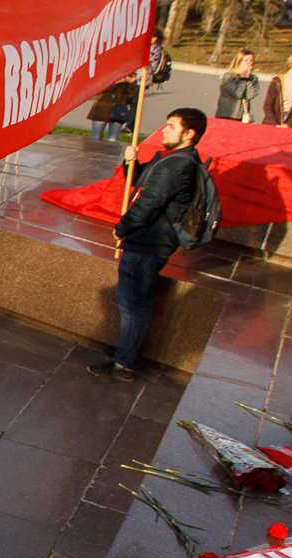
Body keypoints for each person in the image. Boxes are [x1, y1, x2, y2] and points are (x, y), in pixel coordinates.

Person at [88, 108, 208, 381]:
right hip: (148, 241)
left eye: (171, 126)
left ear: (189, 134)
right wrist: (131, 163)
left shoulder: (178, 164)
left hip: (148, 243)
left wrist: (122, 228)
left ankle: (125, 363)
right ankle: (126, 351)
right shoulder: (174, 158)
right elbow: (141, 182)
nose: (164, 130)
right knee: (132, 302)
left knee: (133, 305)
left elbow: (148, 204)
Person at [262, 53, 292, 128]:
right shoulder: (277, 81)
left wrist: (289, 124)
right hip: (273, 120)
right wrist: (274, 124)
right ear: (291, 64)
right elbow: (267, 105)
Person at [85, 75, 138, 142]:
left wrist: (132, 82)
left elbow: (131, 92)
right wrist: (114, 82)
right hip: (102, 108)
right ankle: (93, 151)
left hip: (119, 109)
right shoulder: (105, 70)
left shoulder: (128, 71)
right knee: (96, 137)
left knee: (113, 139)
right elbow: (97, 88)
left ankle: (110, 152)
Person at [216, 50, 260, 121]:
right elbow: (238, 93)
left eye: (251, 60)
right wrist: (244, 78)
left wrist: (247, 78)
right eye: (246, 60)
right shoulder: (228, 77)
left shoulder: (253, 79)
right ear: (239, 62)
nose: (250, 63)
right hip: (226, 115)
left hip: (242, 117)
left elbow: (250, 95)